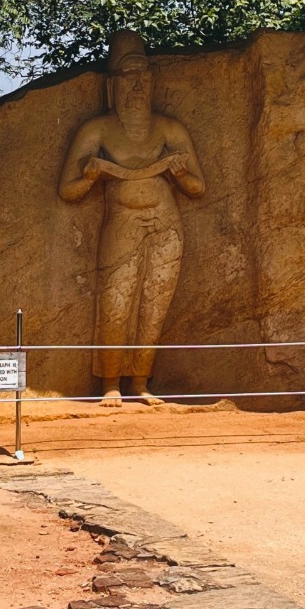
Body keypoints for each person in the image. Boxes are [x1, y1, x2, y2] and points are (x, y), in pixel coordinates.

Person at [58, 31, 205, 405]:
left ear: (153, 81)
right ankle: (110, 382)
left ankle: (140, 382)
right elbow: (67, 191)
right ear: (112, 85)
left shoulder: (170, 129)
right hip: (121, 222)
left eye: (144, 75)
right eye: (128, 75)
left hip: (166, 225)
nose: (138, 84)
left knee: (155, 304)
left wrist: (177, 172)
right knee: (115, 302)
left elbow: (197, 187)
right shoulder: (98, 130)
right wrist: (90, 175)